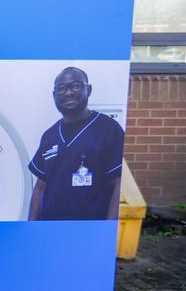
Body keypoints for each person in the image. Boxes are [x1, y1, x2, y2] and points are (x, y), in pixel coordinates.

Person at [28, 67, 124, 221]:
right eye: (61, 89)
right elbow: (40, 187)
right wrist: (30, 227)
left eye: (76, 86)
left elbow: (119, 184)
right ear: (54, 95)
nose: (68, 92)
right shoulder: (49, 136)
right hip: (50, 230)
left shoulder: (109, 129)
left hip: (90, 230)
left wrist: (108, 229)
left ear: (89, 90)